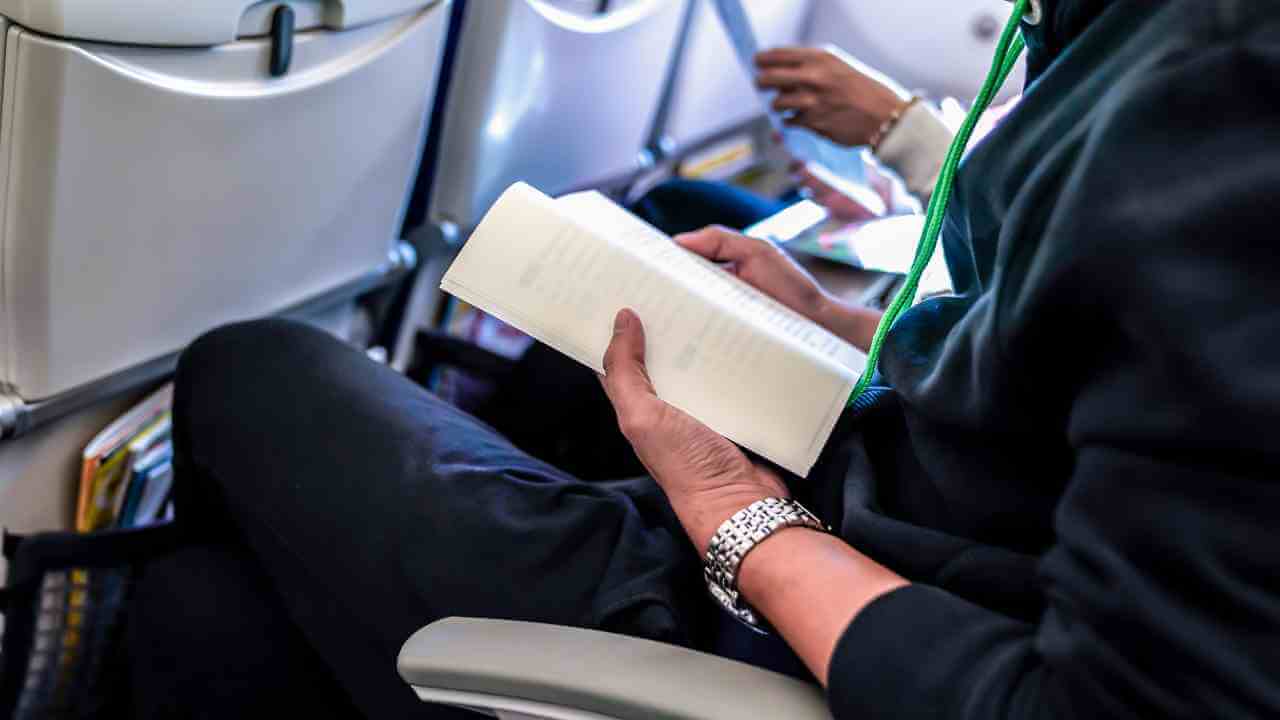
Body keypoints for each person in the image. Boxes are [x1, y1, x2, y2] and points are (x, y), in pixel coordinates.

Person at [130, 1, 1280, 718]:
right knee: (207, 612)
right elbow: (1075, 368)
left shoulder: (1220, 92)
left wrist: (733, 513)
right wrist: (848, 339)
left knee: (250, 371)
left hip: (841, 614)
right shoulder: (1135, 46)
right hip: (912, 521)